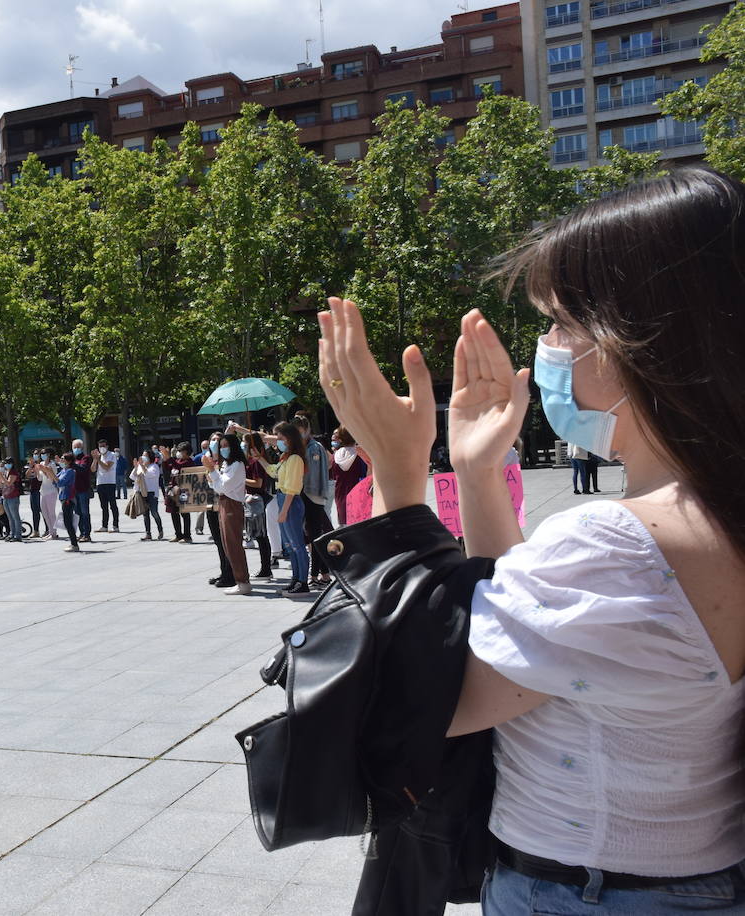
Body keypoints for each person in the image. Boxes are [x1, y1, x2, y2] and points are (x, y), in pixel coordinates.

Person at [319, 168, 745, 911]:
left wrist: (397, 476)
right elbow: (543, 647)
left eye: (559, 325)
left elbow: (415, 703)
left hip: (587, 892)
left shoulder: (621, 543)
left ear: (636, 340)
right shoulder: (711, 509)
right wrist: (479, 477)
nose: (545, 347)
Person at [263, 422, 310, 595]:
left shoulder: (295, 459)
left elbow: (292, 487)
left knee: (297, 544)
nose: (278, 441)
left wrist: (283, 511)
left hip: (291, 502)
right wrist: (259, 457)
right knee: (290, 546)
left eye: (280, 438)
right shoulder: (286, 458)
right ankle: (295, 579)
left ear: (289, 439)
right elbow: (272, 471)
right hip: (284, 501)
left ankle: (303, 581)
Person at [202, 433, 251, 595]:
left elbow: (223, 486)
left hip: (232, 504)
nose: (223, 449)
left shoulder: (237, 464)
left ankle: (242, 581)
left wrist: (211, 471)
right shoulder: (227, 465)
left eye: (225, 445)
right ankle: (240, 580)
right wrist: (213, 473)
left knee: (233, 544)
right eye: (221, 446)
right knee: (227, 544)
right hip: (224, 502)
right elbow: (217, 486)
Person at [293, 415, 333, 586]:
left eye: (300, 432)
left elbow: (310, 474)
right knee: (313, 536)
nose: (298, 435)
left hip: (312, 494)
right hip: (306, 495)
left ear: (307, 430)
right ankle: (324, 574)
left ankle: (315, 575)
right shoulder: (304, 447)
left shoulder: (313, 448)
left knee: (314, 537)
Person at [242, 433, 274, 578]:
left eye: (245, 443)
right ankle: (265, 567)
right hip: (253, 499)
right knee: (260, 536)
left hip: (257, 499)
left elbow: (258, 483)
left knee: (261, 535)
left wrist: (242, 479)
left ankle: (266, 568)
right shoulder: (251, 460)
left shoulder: (256, 462)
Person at [328, 427, 369, 525]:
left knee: (344, 525)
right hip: (358, 494)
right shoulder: (360, 454)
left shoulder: (335, 456)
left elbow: (333, 475)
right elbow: (366, 475)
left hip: (340, 495)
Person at [162, 442, 196, 543]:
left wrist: (169, 458)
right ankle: (178, 535)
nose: (179, 453)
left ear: (186, 452)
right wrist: (165, 459)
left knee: (184, 513)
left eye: (181, 451)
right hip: (173, 490)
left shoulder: (189, 462)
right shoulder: (177, 460)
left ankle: (187, 536)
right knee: (173, 512)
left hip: (184, 491)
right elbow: (170, 468)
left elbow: (178, 466)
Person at [130, 449, 163, 541]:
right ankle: (148, 533)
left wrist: (142, 466)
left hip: (152, 493)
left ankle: (160, 530)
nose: (143, 457)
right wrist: (136, 467)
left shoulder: (154, 466)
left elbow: (149, 475)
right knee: (145, 514)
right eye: (142, 455)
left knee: (154, 512)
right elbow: (132, 476)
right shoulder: (140, 466)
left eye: (146, 456)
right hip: (142, 493)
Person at [33, 448, 60, 540]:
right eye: (42, 454)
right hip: (43, 491)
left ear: (49, 454)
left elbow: (51, 478)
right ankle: (50, 531)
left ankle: (54, 533)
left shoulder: (52, 464)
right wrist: (37, 471)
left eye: (44, 453)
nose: (42, 455)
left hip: (51, 491)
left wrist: (43, 470)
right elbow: (40, 479)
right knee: (44, 512)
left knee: (51, 512)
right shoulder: (41, 464)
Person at [56, 452, 80, 553]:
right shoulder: (63, 470)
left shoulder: (70, 471)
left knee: (68, 522)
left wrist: (50, 473)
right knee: (67, 522)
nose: (61, 461)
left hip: (68, 499)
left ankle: (74, 544)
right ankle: (73, 542)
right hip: (63, 497)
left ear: (68, 461)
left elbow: (60, 482)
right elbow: (55, 482)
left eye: (63, 459)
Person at [94, 440, 120, 533]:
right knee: (103, 506)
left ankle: (115, 525)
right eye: (100, 446)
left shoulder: (112, 455)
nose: (102, 448)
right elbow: (93, 469)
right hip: (100, 483)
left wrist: (98, 460)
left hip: (110, 482)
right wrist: (95, 459)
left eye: (103, 446)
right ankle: (104, 526)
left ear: (107, 446)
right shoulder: (99, 456)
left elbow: (107, 467)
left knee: (112, 505)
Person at [71, 438, 93, 542]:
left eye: (78, 447)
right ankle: (81, 533)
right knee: (78, 513)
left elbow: (83, 469)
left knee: (85, 512)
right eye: (74, 447)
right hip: (74, 490)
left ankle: (87, 534)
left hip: (83, 489)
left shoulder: (86, 458)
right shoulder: (73, 459)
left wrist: (72, 464)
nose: (76, 449)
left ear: (82, 448)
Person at [0, 457, 23, 542]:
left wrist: (1, 476)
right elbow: (2, 484)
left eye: (8, 463)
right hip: (6, 496)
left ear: (12, 464)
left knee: (15, 516)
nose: (6, 464)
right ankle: (12, 534)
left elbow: (9, 483)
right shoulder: (6, 472)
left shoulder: (13, 472)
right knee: (10, 517)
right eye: (5, 463)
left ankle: (18, 535)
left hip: (13, 497)